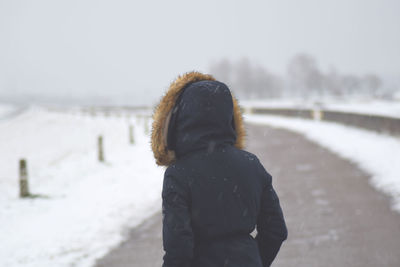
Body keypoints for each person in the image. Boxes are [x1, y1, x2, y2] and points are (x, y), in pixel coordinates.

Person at [151, 71, 288, 267]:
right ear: (229, 115)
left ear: (182, 116)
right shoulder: (251, 164)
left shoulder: (178, 174)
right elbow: (276, 230)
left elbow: (178, 248)